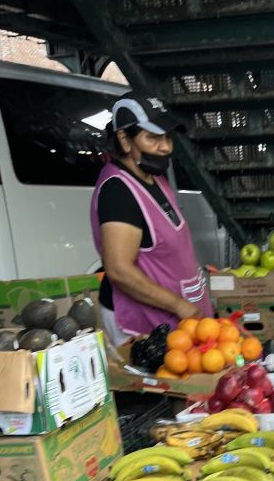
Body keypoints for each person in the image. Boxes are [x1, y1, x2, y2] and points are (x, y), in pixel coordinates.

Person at [91, 96, 213, 345]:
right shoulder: (118, 192)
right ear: (125, 140)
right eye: (153, 138)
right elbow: (119, 269)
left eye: (167, 138)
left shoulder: (154, 178)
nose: (166, 147)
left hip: (181, 322)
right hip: (143, 325)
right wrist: (178, 305)